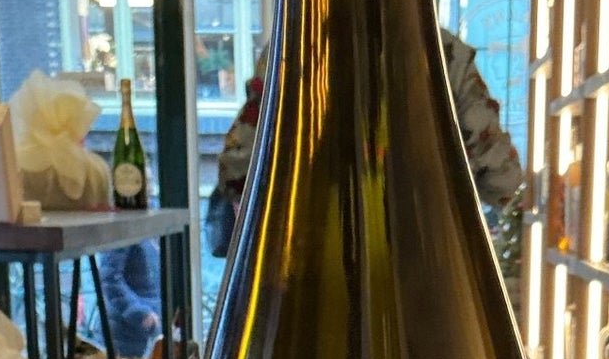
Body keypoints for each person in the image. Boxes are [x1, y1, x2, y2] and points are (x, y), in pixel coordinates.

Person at [207, 27, 524, 259]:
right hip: (423, 276)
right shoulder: (442, 54)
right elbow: (503, 181)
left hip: (306, 275)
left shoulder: (295, 49)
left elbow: (239, 168)